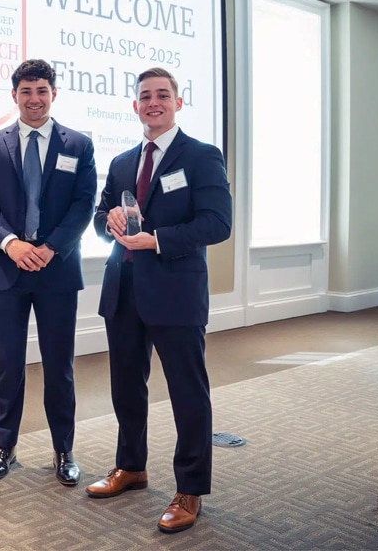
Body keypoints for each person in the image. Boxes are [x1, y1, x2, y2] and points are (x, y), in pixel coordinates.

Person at [86, 67, 232, 533]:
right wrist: (106, 218)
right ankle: (131, 467)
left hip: (176, 291)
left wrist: (158, 239)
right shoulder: (123, 160)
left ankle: (190, 489)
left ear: (178, 102)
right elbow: (98, 216)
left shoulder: (202, 156)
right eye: (145, 96)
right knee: (126, 388)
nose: (153, 103)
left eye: (162, 95)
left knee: (188, 394)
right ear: (135, 106)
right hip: (123, 290)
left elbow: (217, 224)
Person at [0, 59, 97, 486]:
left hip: (56, 271)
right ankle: (4, 445)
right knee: (8, 364)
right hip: (7, 270)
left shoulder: (79, 144)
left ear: (54, 94)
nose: (35, 99)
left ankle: (64, 450)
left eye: (42, 90)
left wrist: (49, 248)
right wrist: (12, 243)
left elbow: (84, 204)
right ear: (15, 96)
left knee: (59, 364)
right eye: (26, 91)